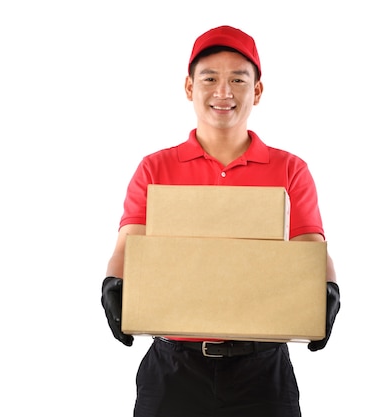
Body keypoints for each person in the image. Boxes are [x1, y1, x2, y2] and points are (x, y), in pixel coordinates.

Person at [101, 25, 341, 417]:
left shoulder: (290, 169)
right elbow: (130, 243)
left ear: (257, 91)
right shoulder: (155, 167)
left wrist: (328, 288)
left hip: (262, 371)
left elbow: (309, 248)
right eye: (210, 78)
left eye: (237, 80)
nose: (223, 92)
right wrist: (113, 281)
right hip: (173, 369)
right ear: (188, 87)